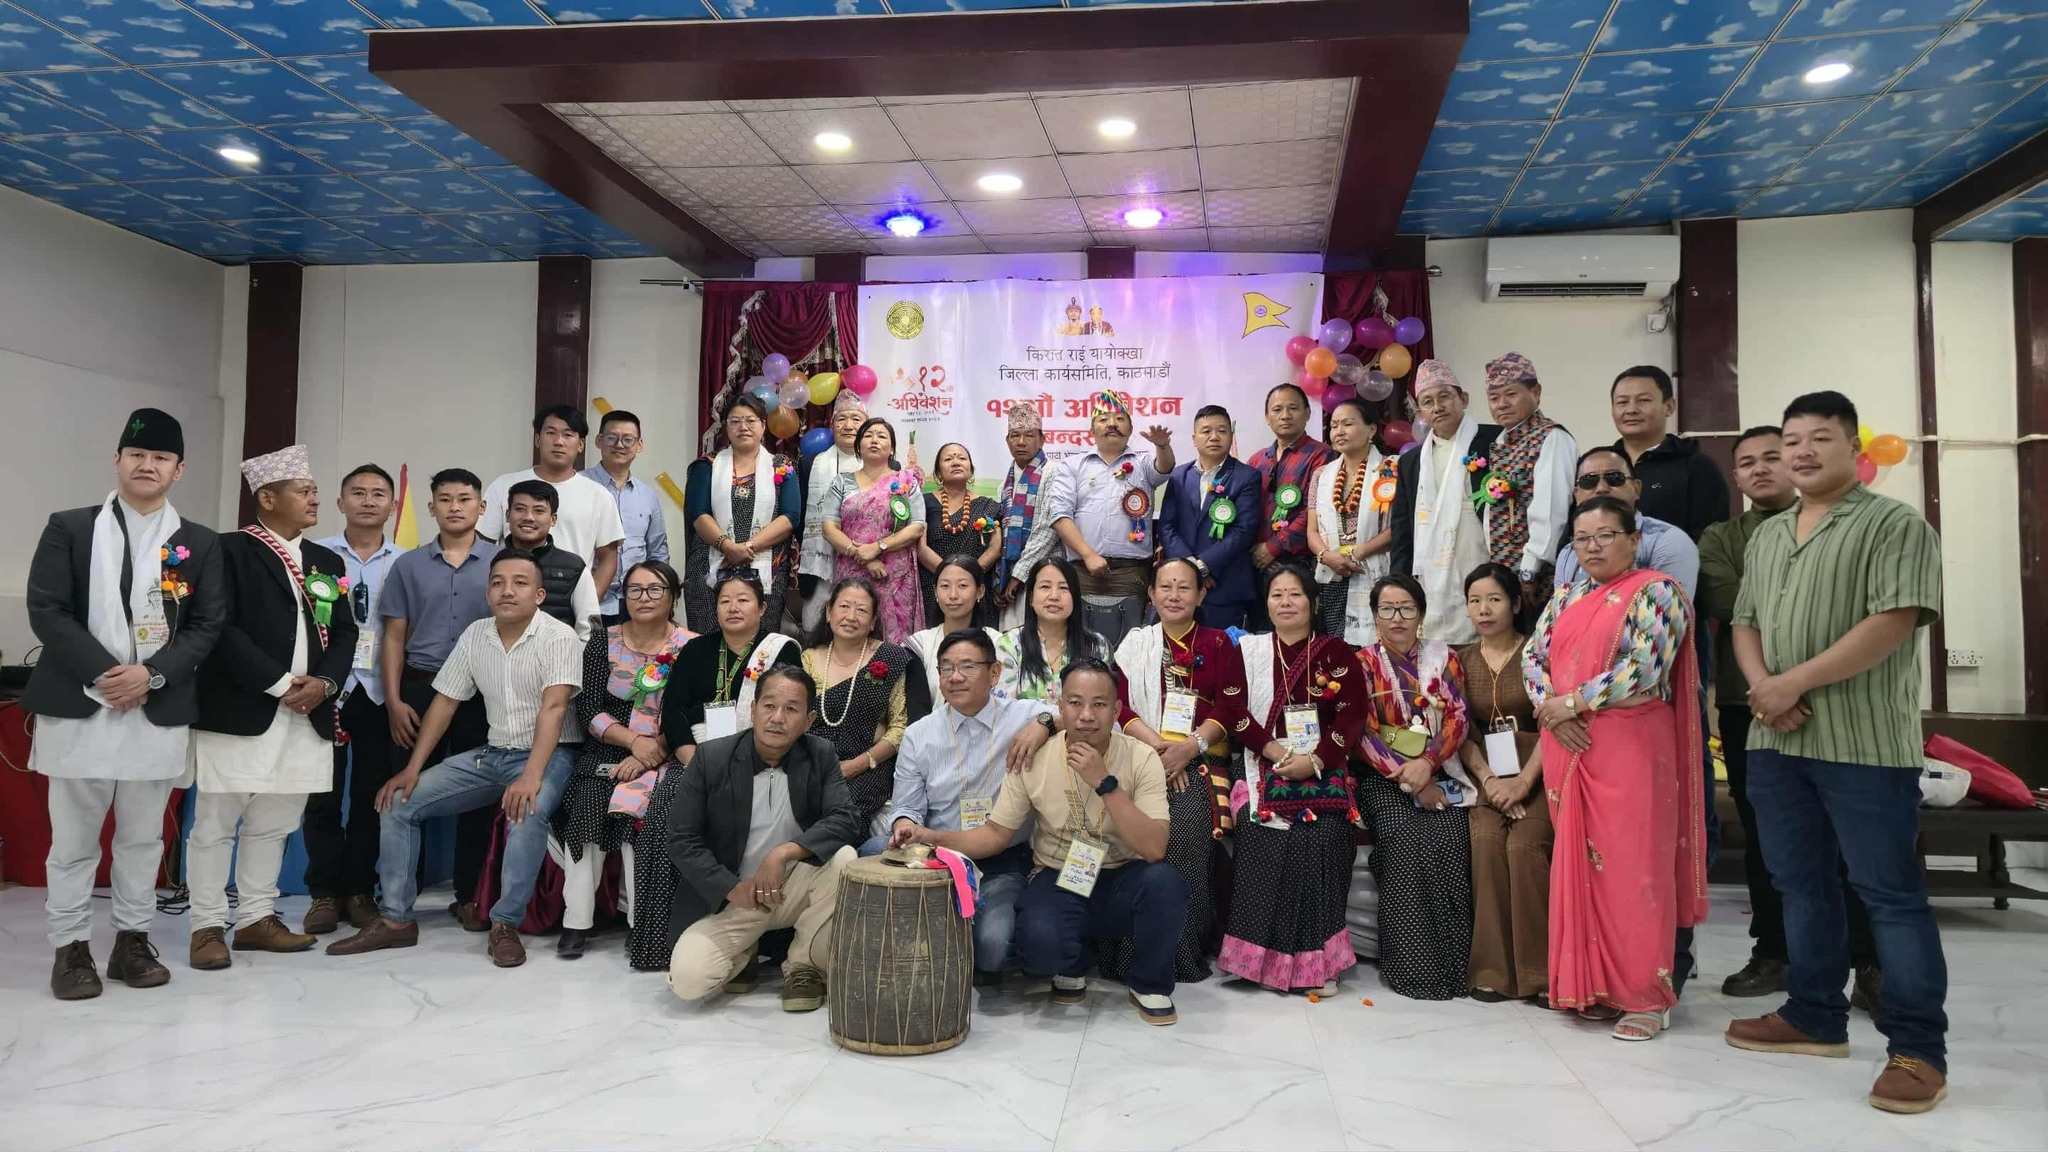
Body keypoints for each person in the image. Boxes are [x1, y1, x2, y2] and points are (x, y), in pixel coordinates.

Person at [1726, 391, 1951, 1115]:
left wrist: (1794, 682)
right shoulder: (1769, 534)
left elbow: (1894, 619)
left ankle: (1918, 1050)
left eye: (1818, 438)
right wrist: (1765, 688)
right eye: (1791, 439)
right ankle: (1814, 1015)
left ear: (1854, 448)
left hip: (1863, 745)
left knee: (1889, 894)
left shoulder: (1894, 523)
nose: (1800, 451)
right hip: (1775, 739)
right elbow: (1745, 622)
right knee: (1800, 883)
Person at [26, 408, 225, 1000]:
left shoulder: (199, 542)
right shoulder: (70, 527)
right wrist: (104, 673)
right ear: (117, 460)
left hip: (155, 708)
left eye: (161, 457)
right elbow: (47, 608)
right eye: (137, 455)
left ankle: (132, 943)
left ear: (179, 470)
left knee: (143, 839)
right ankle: (70, 949)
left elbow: (208, 623)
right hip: (80, 703)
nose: (147, 465)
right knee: (73, 842)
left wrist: (151, 675)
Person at [895, 659, 1188, 1026]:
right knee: (1039, 949)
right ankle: (1073, 962)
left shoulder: (1140, 757)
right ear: (1060, 706)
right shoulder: (1033, 757)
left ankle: (1148, 983)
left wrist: (1105, 783)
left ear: (1116, 710)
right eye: (1075, 703)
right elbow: (995, 834)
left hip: (1123, 873)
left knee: (1165, 883)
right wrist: (932, 837)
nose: (1086, 715)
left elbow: (1154, 848)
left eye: (1099, 704)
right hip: (1061, 874)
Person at [327, 551, 582, 969]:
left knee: (526, 810)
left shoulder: (559, 637)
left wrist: (531, 777)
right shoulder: (476, 634)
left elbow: (554, 709)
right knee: (398, 802)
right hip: (493, 753)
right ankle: (395, 919)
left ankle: (504, 924)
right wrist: (412, 769)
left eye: (519, 583)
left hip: (550, 755)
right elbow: (445, 702)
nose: (507, 590)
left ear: (539, 595)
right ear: (487, 593)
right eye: (497, 582)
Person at [1702, 427, 1880, 1003]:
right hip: (1747, 702)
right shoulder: (1721, 537)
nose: (1760, 469)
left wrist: (1799, 677)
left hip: (1836, 698)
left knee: (1849, 835)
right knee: (1767, 837)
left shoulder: (1843, 526)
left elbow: (1851, 607)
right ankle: (1774, 953)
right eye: (1746, 462)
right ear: (1736, 475)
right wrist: (1771, 686)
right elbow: (1729, 601)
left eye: (1771, 457)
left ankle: (1869, 962)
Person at [1526, 497, 1706, 1041]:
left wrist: (1571, 704)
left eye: (1606, 535)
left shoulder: (1657, 592)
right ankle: (1596, 987)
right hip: (1568, 745)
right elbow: (1533, 660)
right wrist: (1552, 711)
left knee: (1634, 870)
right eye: (1583, 539)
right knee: (1581, 866)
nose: (1594, 547)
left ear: (1634, 539)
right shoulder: (1565, 596)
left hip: (1630, 748)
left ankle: (1647, 998)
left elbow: (1646, 667)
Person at [188, 445, 359, 970]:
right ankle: (206, 925)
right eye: (303, 491)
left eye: (314, 490)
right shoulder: (227, 550)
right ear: (267, 497)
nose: (314, 499)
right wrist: (281, 683)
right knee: (216, 824)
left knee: (275, 822)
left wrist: (325, 683)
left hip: (308, 713)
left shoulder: (327, 561)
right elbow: (220, 628)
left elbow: (345, 633)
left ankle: (256, 919)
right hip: (241, 709)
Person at [665, 665, 865, 1013]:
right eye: (769, 706)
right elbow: (681, 839)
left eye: (791, 709)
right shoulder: (712, 758)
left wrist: (783, 853)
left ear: (808, 720)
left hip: (791, 886)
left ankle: (804, 967)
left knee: (844, 858)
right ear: (753, 709)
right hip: (736, 897)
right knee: (688, 981)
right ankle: (745, 952)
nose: (777, 718)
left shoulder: (820, 754)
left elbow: (845, 819)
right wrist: (730, 888)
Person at [631, 572, 801, 972]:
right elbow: (673, 711)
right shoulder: (696, 650)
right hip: (696, 757)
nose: (733, 608)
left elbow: (787, 713)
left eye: (743, 600)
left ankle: (758, 938)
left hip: (761, 758)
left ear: (762, 608)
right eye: (725, 601)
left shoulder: (780, 652)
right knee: (666, 815)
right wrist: (694, 760)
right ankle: (659, 941)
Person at [1220, 563, 1367, 996]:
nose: (1285, 602)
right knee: (1261, 830)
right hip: (1260, 763)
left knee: (1327, 835)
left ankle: (1319, 964)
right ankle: (1258, 962)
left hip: (1323, 767)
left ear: (1314, 603)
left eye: (1295, 594)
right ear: (1266, 604)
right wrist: (1274, 751)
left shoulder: (1337, 654)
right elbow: (1233, 710)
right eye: (1277, 595)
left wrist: (1315, 760)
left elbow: (1352, 715)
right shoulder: (1247, 651)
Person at [883, 629, 1059, 984]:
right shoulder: (920, 734)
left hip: (1001, 860)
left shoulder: (1021, 716)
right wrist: (904, 824)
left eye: (967, 666)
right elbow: (907, 807)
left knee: (993, 948)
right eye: (946, 668)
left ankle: (965, 944)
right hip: (937, 856)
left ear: (994, 673)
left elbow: (1085, 715)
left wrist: (1044, 724)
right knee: (871, 851)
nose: (955, 677)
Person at [1110, 557, 1248, 983]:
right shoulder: (1135, 645)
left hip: (1201, 758)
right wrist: (1158, 749)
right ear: (1151, 594)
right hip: (1144, 754)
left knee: (1185, 827)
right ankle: (1126, 952)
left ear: (1201, 594)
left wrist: (1188, 748)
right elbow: (1120, 706)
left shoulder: (1220, 644)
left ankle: (1181, 950)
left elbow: (1231, 706)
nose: (1173, 595)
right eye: (1165, 587)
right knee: (1129, 826)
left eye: (1184, 587)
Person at [549, 560, 692, 959]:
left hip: (666, 754)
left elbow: (689, 713)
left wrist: (651, 752)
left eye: (655, 589)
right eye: (635, 590)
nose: (644, 598)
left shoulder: (690, 646)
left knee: (635, 813)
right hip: (608, 749)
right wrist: (632, 743)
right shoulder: (603, 642)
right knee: (588, 804)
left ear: (673, 597)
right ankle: (576, 921)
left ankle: (639, 922)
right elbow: (588, 709)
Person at [378, 468, 498, 933]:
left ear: (480, 507)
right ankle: (398, 903)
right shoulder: (408, 565)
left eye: (464, 499)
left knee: (478, 795)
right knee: (407, 790)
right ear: (431, 508)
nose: (454, 507)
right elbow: (393, 636)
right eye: (445, 499)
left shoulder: (501, 563)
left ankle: (470, 896)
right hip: (419, 690)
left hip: (480, 692)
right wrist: (393, 700)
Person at [1351, 574, 1473, 1001]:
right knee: (1402, 835)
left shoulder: (1444, 657)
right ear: (1374, 616)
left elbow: (1458, 716)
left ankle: (1454, 966)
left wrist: (1428, 764)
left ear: (1421, 613)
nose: (1397, 617)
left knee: (1452, 835)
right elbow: (1361, 731)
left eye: (1406, 608)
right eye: (1387, 609)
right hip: (1382, 776)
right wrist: (1409, 777)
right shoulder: (1362, 663)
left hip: (1438, 768)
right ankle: (1411, 967)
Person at [301, 463, 401, 936]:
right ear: (340, 503)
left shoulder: (406, 561)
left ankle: (360, 890)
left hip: (380, 692)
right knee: (321, 794)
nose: (368, 500)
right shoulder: (313, 556)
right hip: (326, 687)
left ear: (392, 505)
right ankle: (324, 892)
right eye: (357, 492)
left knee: (370, 797)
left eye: (378, 493)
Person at [1455, 563, 1551, 1004]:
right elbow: (1460, 732)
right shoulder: (1460, 661)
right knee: (1486, 843)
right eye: (1475, 601)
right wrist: (1491, 781)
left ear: (1514, 603)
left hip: (1539, 773)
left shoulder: (1537, 654)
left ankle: (1541, 973)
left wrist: (1523, 783)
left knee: (1524, 846)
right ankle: (1491, 970)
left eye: (1494, 599)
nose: (1484, 609)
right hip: (1486, 776)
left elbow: (1554, 725)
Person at [1041, 389, 1175, 651]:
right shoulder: (1073, 465)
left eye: (1120, 419)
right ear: (1092, 430)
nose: (1112, 424)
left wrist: (1162, 446)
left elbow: (1164, 468)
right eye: (1104, 419)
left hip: (1130, 572)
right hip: (1082, 571)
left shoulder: (1143, 462)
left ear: (1130, 428)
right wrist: (1088, 555)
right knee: (1081, 647)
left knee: (1129, 647)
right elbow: (1059, 515)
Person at [1390, 361, 1500, 645]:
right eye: (1428, 402)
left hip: (1481, 562)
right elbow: (1402, 530)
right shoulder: (1411, 461)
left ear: (1463, 399)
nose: (1437, 407)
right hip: (1431, 575)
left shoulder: (1494, 440)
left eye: (1445, 397)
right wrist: (1399, 584)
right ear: (1420, 413)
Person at [801, 577, 911, 831]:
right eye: (844, 607)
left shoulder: (890, 658)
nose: (851, 617)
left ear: (873, 621)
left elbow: (900, 727)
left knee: (844, 819)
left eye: (861, 610)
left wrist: (858, 764)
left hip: (869, 769)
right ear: (828, 612)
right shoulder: (807, 658)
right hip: (813, 766)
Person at [685, 394, 800, 635]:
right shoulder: (707, 466)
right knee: (709, 640)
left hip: (765, 569)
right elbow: (698, 513)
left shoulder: (782, 466)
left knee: (759, 645)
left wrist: (747, 547)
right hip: (709, 568)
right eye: (735, 421)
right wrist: (727, 547)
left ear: (763, 425)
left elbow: (790, 516)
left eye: (750, 420)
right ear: (726, 426)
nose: (743, 427)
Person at [481, 405, 625, 597]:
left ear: (580, 444)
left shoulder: (599, 495)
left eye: (568, 435)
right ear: (537, 439)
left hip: (569, 600)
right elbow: (482, 547)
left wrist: (586, 603)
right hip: (512, 599)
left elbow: (608, 559)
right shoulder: (504, 485)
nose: (559, 441)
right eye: (551, 433)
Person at [1478, 354, 1576, 607]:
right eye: (1494, 398)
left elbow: (1551, 510)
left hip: (1537, 576)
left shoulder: (1551, 437)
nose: (1502, 404)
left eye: (1511, 394)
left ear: (1536, 392)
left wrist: (1529, 569)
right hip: (1504, 572)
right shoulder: (1500, 443)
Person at [821, 416, 926, 644]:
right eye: (868, 435)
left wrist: (878, 547)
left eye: (881, 436)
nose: (874, 440)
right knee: (852, 630)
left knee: (896, 640)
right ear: (859, 446)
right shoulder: (841, 482)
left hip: (895, 576)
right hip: (852, 572)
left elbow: (917, 527)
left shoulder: (907, 482)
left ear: (892, 448)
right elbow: (829, 528)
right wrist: (861, 555)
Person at [1158, 404, 1262, 631]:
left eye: (1222, 431)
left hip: (1225, 586)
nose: (1214, 437)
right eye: (1206, 431)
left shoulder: (1247, 476)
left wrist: (1205, 566)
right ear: (1194, 439)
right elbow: (1166, 526)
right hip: (1180, 588)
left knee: (1224, 648)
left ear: (1231, 436)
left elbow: (1244, 530)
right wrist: (1190, 569)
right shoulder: (1179, 475)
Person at [1552, 448, 1699, 599]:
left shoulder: (1668, 541)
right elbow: (1561, 611)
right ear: (1576, 495)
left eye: (1614, 478)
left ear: (1636, 488)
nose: (1601, 488)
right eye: (1589, 481)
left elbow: (1668, 609)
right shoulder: (1568, 553)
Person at [1306, 397, 1395, 644]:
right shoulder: (1321, 475)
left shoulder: (1393, 468)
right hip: (1333, 572)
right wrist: (1326, 556)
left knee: (1378, 646)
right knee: (1336, 647)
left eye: (1347, 424)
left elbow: (1400, 525)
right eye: (1334, 425)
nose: (1339, 431)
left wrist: (1360, 552)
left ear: (1371, 430)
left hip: (1377, 570)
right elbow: (1312, 531)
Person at [1610, 366, 1730, 542]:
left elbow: (1710, 541)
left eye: (1643, 400)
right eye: (1622, 402)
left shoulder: (1697, 467)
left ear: (1669, 407)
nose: (1631, 409)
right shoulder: (1599, 467)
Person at [1246, 384, 1333, 616]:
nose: (1285, 415)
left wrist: (1272, 548)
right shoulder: (1256, 460)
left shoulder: (1322, 455)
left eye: (1293, 408)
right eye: (1277, 409)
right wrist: (1257, 551)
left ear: (1307, 413)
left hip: (1299, 563)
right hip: (1256, 563)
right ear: (1267, 418)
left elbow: (1314, 511)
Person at [583, 409, 669, 626]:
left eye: (628, 439)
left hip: (637, 604)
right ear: (598, 441)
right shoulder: (579, 486)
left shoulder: (647, 495)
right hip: (589, 601)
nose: (619, 445)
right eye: (611, 438)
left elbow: (658, 551)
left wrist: (657, 595)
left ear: (639, 445)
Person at [996, 556, 1110, 707]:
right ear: (1031, 597)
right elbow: (1004, 708)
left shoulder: (1097, 645)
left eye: (1064, 588)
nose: (1054, 596)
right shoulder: (1009, 644)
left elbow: (1102, 705)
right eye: (1045, 587)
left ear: (1075, 597)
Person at [501, 478, 602, 641]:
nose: (529, 517)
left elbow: (590, 631)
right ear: (508, 515)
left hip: (560, 655)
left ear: (553, 519)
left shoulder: (574, 567)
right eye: (520, 509)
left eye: (539, 511)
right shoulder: (490, 562)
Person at [905, 555, 1004, 717]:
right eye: (945, 586)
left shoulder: (998, 643)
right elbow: (916, 707)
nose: (952, 595)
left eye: (962, 586)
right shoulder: (920, 644)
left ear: (980, 591)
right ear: (935, 591)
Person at [800, 392, 866, 632]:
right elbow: (801, 516)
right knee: (814, 627)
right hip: (821, 563)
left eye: (856, 419)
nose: (848, 426)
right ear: (832, 425)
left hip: (866, 559)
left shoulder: (886, 465)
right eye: (841, 419)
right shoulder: (810, 464)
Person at [918, 442, 1002, 626]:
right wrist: (949, 576)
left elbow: (995, 548)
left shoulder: (989, 506)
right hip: (934, 585)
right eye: (948, 459)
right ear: (938, 473)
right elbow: (920, 547)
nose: (956, 462)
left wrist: (969, 576)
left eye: (962, 458)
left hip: (975, 586)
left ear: (971, 471)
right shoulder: (922, 503)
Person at [994, 401, 1059, 631]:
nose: (1021, 442)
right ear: (1007, 441)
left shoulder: (1054, 473)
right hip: (1011, 579)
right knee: (1011, 641)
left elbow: (1049, 527)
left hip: (1046, 571)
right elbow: (999, 537)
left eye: (1029, 435)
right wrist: (1000, 579)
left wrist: (1019, 574)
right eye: (1015, 435)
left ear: (1042, 440)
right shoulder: (1004, 485)